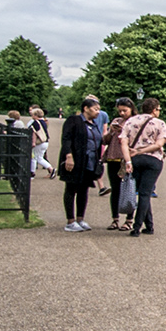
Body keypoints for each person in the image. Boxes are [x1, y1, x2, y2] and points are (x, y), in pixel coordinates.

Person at [121, 98, 166, 237]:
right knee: (145, 193)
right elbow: (159, 144)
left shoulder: (131, 121)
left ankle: (149, 226)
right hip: (153, 160)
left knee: (141, 192)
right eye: (159, 109)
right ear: (154, 110)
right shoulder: (160, 123)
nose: (159, 112)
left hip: (135, 160)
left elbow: (123, 142)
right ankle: (137, 227)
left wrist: (128, 161)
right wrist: (142, 151)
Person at [57, 98, 102, 232]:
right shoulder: (74, 120)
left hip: (89, 161)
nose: (98, 112)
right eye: (95, 109)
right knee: (71, 188)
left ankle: (80, 218)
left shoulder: (94, 124)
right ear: (86, 108)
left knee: (84, 190)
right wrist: (68, 155)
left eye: (99, 109)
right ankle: (70, 221)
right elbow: (66, 138)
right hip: (76, 160)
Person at [101, 97, 135, 230]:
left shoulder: (135, 122)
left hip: (127, 158)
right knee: (115, 189)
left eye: (124, 110)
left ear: (131, 109)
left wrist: (123, 131)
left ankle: (129, 220)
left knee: (129, 188)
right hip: (114, 157)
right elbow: (105, 141)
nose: (122, 113)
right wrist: (111, 131)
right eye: (120, 111)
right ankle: (115, 219)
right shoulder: (116, 121)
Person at [28, 106, 53, 178]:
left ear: (36, 115)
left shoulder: (35, 122)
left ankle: (32, 173)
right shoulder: (43, 122)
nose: (32, 116)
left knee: (34, 158)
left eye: (33, 114)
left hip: (39, 142)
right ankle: (51, 169)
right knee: (39, 158)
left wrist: (33, 142)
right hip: (45, 142)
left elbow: (34, 133)